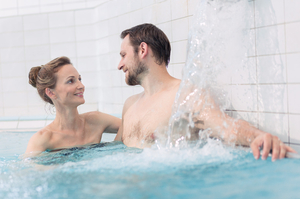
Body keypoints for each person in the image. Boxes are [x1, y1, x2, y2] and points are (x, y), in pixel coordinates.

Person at [114, 23, 296, 161]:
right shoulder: (129, 105)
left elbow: (226, 127)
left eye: (123, 55)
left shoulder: (185, 95)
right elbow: (113, 150)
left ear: (143, 50)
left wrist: (260, 137)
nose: (120, 65)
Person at [25, 56, 121, 156]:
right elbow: (30, 170)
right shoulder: (43, 139)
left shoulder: (96, 120)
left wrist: (116, 144)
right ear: (51, 93)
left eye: (79, 79)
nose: (81, 86)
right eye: (70, 81)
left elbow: (132, 124)